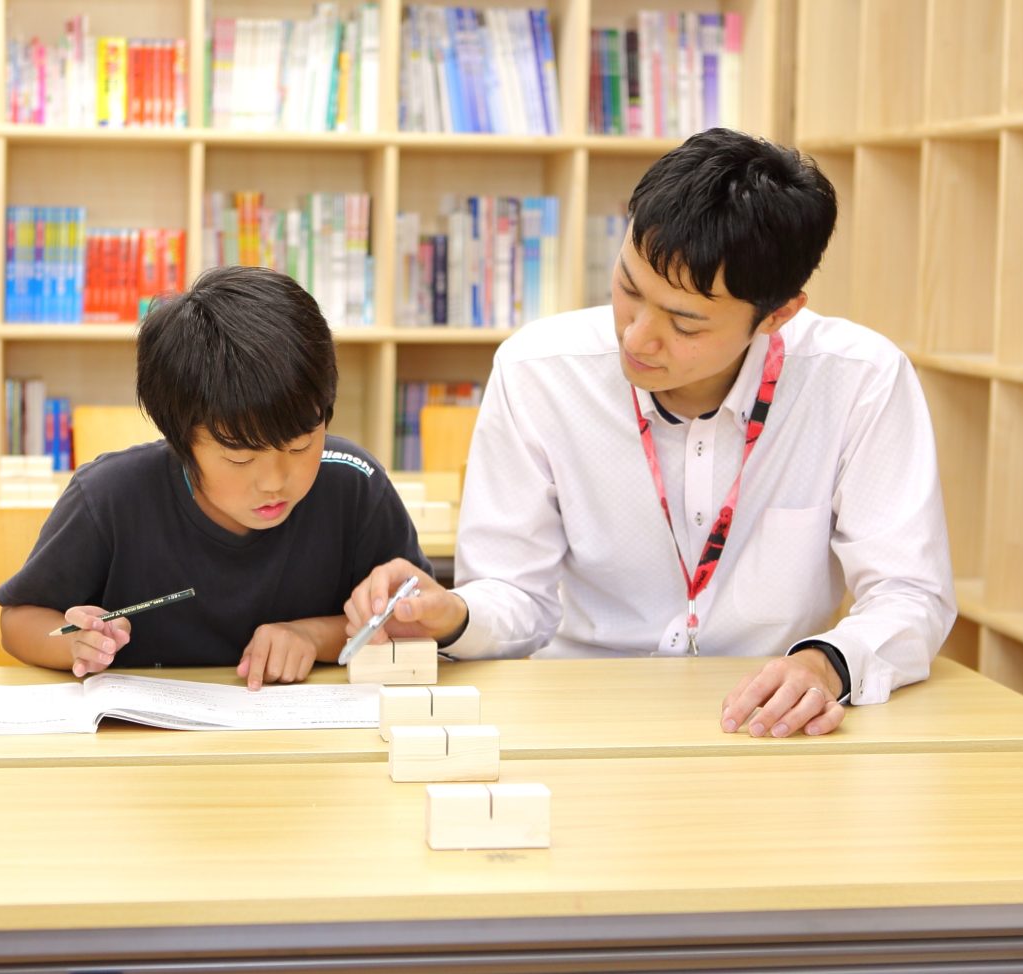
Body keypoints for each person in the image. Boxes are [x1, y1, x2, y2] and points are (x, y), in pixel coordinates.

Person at [345, 128, 954, 737]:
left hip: (764, 725)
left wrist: (827, 665)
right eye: (629, 289)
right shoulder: (540, 372)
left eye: (685, 324)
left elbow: (910, 593)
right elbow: (514, 595)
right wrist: (453, 612)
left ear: (776, 315)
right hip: (578, 716)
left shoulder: (857, 381)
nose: (636, 339)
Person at [0, 265, 429, 689]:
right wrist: (74, 645)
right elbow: (19, 621)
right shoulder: (110, 497)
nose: (274, 480)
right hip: (138, 747)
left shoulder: (354, 481)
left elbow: (413, 611)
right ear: (181, 440)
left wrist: (313, 636)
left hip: (308, 747)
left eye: (299, 445)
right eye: (240, 458)